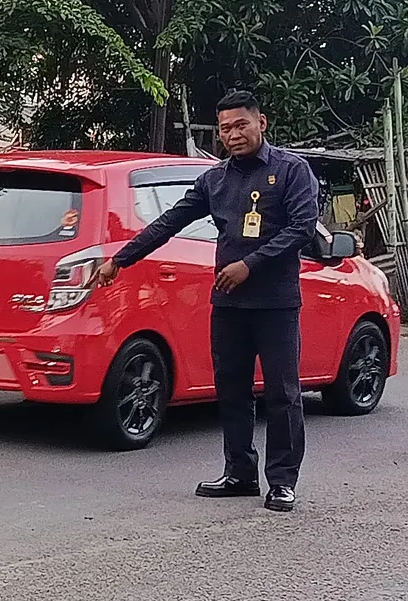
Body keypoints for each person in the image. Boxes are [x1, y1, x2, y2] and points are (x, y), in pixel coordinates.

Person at [89, 90, 320, 512]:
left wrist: (250, 264)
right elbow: (169, 221)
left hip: (275, 304)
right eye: (225, 129)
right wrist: (119, 261)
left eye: (240, 125)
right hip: (229, 304)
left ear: (261, 123)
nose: (233, 135)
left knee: (283, 394)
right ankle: (239, 473)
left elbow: (302, 229)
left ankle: (283, 481)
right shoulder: (215, 180)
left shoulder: (291, 171)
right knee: (230, 391)